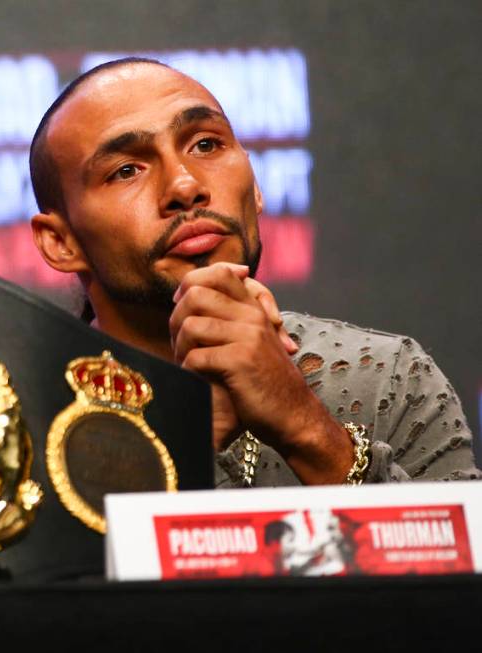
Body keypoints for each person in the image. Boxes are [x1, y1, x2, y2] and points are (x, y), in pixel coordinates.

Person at [28, 57, 480, 487]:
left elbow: (459, 559)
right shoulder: (16, 424)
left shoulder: (388, 377)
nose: (185, 185)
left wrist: (305, 427)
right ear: (61, 242)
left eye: (206, 144)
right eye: (127, 170)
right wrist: (191, 443)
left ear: (256, 187)